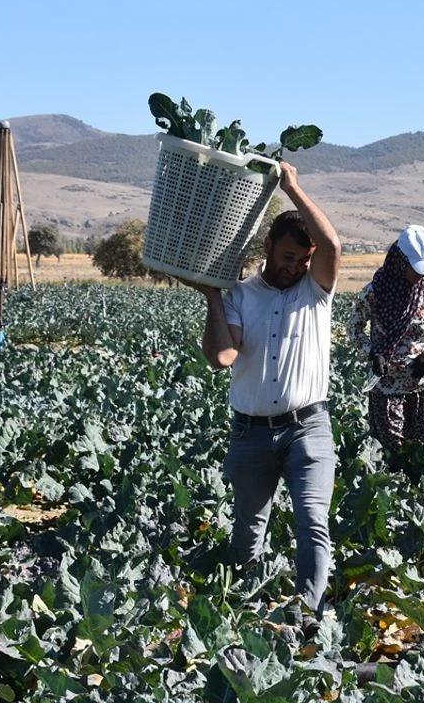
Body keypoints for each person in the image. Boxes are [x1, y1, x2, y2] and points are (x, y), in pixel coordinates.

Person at [182, 161, 341, 623]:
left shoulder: (315, 290)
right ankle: (243, 611)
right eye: (288, 257)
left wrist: (292, 187)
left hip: (308, 427)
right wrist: (212, 297)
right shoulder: (240, 296)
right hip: (251, 432)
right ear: (268, 247)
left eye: (302, 261)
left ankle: (308, 617)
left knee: (313, 521)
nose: (294, 268)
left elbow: (332, 244)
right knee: (248, 531)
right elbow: (223, 357)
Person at [348, 225, 424, 461]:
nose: (421, 275)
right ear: (400, 261)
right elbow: (354, 327)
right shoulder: (374, 292)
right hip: (387, 387)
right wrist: (372, 353)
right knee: (391, 456)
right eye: (416, 268)